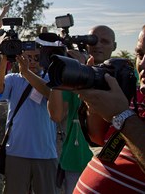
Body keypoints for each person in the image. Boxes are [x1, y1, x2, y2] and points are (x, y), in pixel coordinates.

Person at [73, 19, 145, 193]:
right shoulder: (140, 103)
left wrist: (122, 115)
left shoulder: (128, 110)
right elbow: (99, 139)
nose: (144, 64)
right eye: (140, 54)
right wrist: (93, 99)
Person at [47, 25, 117, 194]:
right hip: (75, 161)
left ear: (114, 47)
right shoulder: (76, 74)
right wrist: (60, 73)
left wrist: (85, 69)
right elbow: (56, 115)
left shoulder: (123, 72)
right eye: (93, 40)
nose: (98, 45)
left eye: (105, 41)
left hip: (111, 163)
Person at [0, 45, 58, 194]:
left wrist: (27, 73)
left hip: (45, 153)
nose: (32, 62)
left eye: (37, 58)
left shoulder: (51, 79)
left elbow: (49, 93)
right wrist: (4, 59)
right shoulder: (14, 79)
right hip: (16, 152)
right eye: (28, 58)